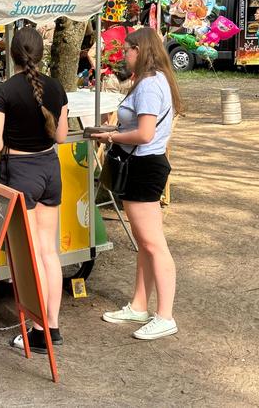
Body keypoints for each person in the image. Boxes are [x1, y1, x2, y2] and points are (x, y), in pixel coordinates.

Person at [92, 27, 183, 341]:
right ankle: (140, 305)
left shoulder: (148, 84)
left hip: (144, 166)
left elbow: (144, 134)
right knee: (146, 243)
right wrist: (112, 129)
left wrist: (111, 136)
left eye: (127, 50)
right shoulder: (156, 80)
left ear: (139, 50)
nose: (124, 55)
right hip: (147, 164)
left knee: (154, 245)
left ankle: (165, 315)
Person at [0, 27, 68, 354]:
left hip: (21, 174)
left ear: (11, 54)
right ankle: (52, 326)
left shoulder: (3, 92)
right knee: (49, 253)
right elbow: (61, 137)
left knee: (32, 255)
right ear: (41, 54)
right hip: (50, 169)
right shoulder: (56, 87)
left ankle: (38, 331)